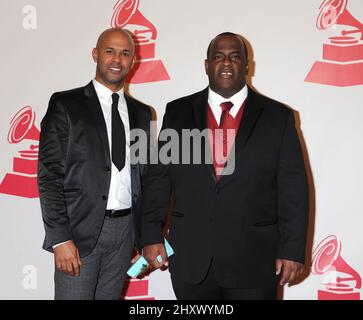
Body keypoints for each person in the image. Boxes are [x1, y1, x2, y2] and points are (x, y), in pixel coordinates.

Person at [139, 32, 309, 300]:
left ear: (247, 65)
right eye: (218, 56)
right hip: (191, 260)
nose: (226, 63)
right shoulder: (178, 112)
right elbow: (160, 179)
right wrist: (150, 235)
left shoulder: (278, 117)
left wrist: (292, 250)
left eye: (235, 57)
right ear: (206, 65)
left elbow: (293, 190)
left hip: (254, 262)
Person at [38, 28, 151, 300]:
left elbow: (143, 178)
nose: (117, 59)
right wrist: (60, 239)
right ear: (95, 54)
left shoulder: (142, 113)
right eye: (110, 51)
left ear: (133, 61)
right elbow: (49, 175)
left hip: (124, 234)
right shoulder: (66, 104)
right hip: (78, 233)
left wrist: (145, 234)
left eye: (125, 53)